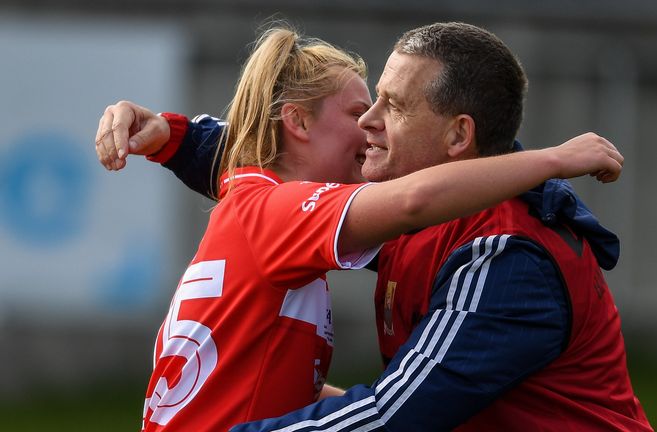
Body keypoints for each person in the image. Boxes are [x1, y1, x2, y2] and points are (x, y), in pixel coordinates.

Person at [95, 26, 625, 432]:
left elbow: (392, 416)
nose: (370, 122)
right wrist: (554, 159)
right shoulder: (340, 209)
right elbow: (384, 195)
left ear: (459, 136)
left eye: (391, 105)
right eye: (363, 105)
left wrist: (175, 140)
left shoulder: (505, 252)